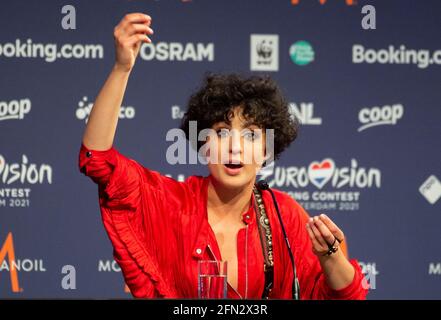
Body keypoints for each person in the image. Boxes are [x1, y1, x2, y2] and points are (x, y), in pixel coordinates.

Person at [78, 12, 368, 299]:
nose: (235, 146)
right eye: (221, 132)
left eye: (251, 134)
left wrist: (330, 256)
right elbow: (97, 158)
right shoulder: (171, 204)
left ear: (267, 150)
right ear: (204, 144)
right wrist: (121, 69)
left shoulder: (284, 215)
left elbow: (344, 296)